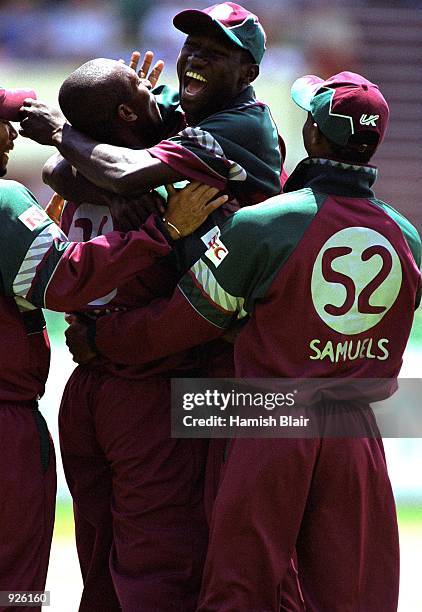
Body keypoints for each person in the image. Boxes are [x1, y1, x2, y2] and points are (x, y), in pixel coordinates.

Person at [68, 72, 421, 611]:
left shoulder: (264, 224)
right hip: (358, 430)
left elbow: (182, 321)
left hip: (265, 414)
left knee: (242, 588)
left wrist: (103, 337)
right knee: (354, 593)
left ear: (316, 137)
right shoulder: (406, 235)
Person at [19, 5, 288, 610]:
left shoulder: (240, 125)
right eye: (190, 44)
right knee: (118, 553)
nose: (191, 57)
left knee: (209, 553)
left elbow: (109, 168)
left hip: (214, 365)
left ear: (248, 69)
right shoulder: (176, 115)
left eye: (214, 51)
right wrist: (127, 126)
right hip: (140, 366)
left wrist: (88, 134)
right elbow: (69, 173)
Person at [0, 86, 223, 612]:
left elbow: (64, 174)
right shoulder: (10, 198)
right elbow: (62, 277)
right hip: (134, 391)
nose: (10, 134)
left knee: (97, 559)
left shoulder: (70, 188)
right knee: (19, 583)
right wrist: (162, 230)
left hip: (85, 395)